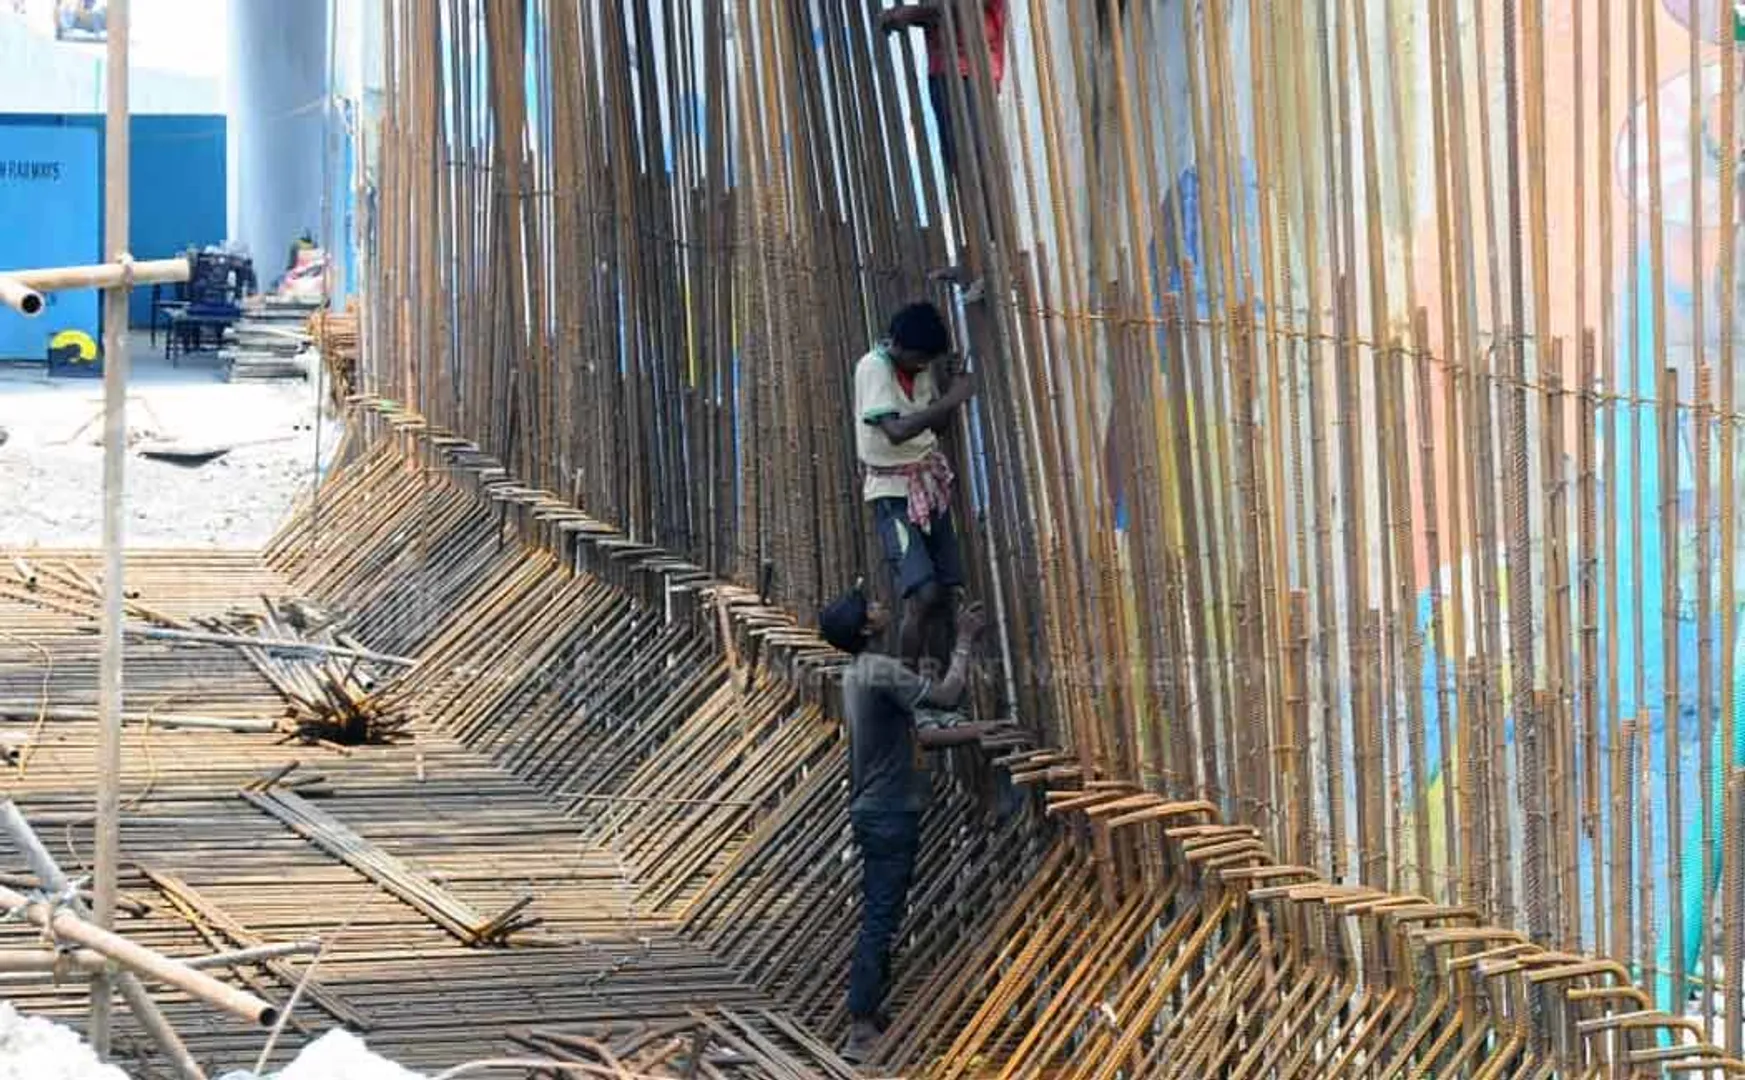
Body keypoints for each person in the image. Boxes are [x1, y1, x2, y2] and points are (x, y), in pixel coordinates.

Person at [818, 584, 995, 1063]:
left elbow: (919, 734)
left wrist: (978, 732)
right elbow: (946, 695)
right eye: (870, 607)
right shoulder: (878, 670)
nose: (879, 606)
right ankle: (859, 1026)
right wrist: (964, 638)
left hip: (878, 811)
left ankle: (871, 1014)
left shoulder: (858, 673)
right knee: (880, 915)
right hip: (889, 813)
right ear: (864, 627)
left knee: (885, 911)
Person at [855, 301, 976, 678]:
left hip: (928, 483)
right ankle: (905, 691)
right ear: (898, 345)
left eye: (928, 361)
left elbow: (932, 427)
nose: (924, 366)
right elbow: (896, 432)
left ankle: (939, 689)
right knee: (922, 595)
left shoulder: (917, 369)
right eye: (920, 359)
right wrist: (952, 400)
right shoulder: (874, 367)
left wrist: (945, 400)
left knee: (946, 592)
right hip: (892, 493)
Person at [878, 0, 1009, 302]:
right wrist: (913, 16)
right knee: (961, 167)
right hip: (946, 66)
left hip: (971, 66)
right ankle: (976, 259)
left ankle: (995, 262)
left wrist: (906, 14)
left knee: (977, 165)